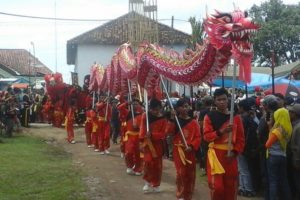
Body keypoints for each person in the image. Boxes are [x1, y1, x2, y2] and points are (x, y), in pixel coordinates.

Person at [203, 88, 245, 200]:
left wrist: (235, 152)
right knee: (217, 187)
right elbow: (206, 137)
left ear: (228, 100)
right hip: (215, 156)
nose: (222, 102)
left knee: (231, 186)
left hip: (230, 156)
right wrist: (221, 131)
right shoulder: (209, 116)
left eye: (224, 99)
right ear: (214, 101)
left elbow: (241, 139)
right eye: (219, 99)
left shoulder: (235, 118)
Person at [166, 98, 201, 200]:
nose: (185, 108)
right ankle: (180, 193)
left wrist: (192, 146)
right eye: (182, 106)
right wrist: (172, 118)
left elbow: (198, 137)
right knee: (181, 172)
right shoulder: (175, 120)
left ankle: (188, 194)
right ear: (177, 108)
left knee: (190, 173)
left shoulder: (194, 122)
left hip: (190, 150)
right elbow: (168, 131)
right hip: (179, 150)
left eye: (187, 106)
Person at [139, 98, 168, 193]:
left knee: (157, 165)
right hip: (148, 144)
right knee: (148, 163)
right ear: (150, 108)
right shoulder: (145, 116)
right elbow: (142, 129)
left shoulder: (163, 119)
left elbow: (164, 133)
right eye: (154, 109)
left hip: (158, 145)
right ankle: (147, 182)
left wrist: (153, 135)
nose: (156, 111)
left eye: (158, 109)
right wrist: (142, 139)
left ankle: (156, 183)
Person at [265, 107, 292, 200]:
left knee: (273, 181)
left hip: (273, 157)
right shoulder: (288, 128)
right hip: (283, 156)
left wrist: (270, 128)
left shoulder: (277, 130)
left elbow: (267, 144)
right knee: (284, 180)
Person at [118, 98, 143, 175]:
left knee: (138, 153)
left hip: (139, 136)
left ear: (139, 105)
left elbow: (145, 125)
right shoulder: (128, 112)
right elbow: (119, 108)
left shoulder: (142, 114)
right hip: (130, 136)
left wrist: (138, 126)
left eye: (136, 104)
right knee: (129, 152)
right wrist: (127, 103)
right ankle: (129, 166)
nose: (135, 105)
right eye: (133, 104)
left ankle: (138, 168)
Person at [288, 103, 300, 199]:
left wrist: (297, 161)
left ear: (295, 114)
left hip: (297, 160)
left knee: (297, 182)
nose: (288, 113)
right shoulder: (293, 124)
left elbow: (298, 146)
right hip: (294, 158)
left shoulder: (298, 127)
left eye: (290, 112)